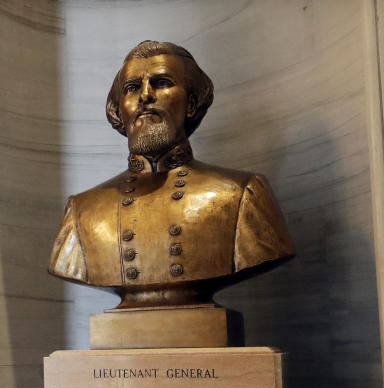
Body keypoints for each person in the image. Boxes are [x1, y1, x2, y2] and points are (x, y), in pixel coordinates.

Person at [48, 40, 294, 308]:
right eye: (132, 88)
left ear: (191, 103)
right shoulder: (82, 210)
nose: (145, 95)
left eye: (161, 82)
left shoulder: (240, 194)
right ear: (119, 110)